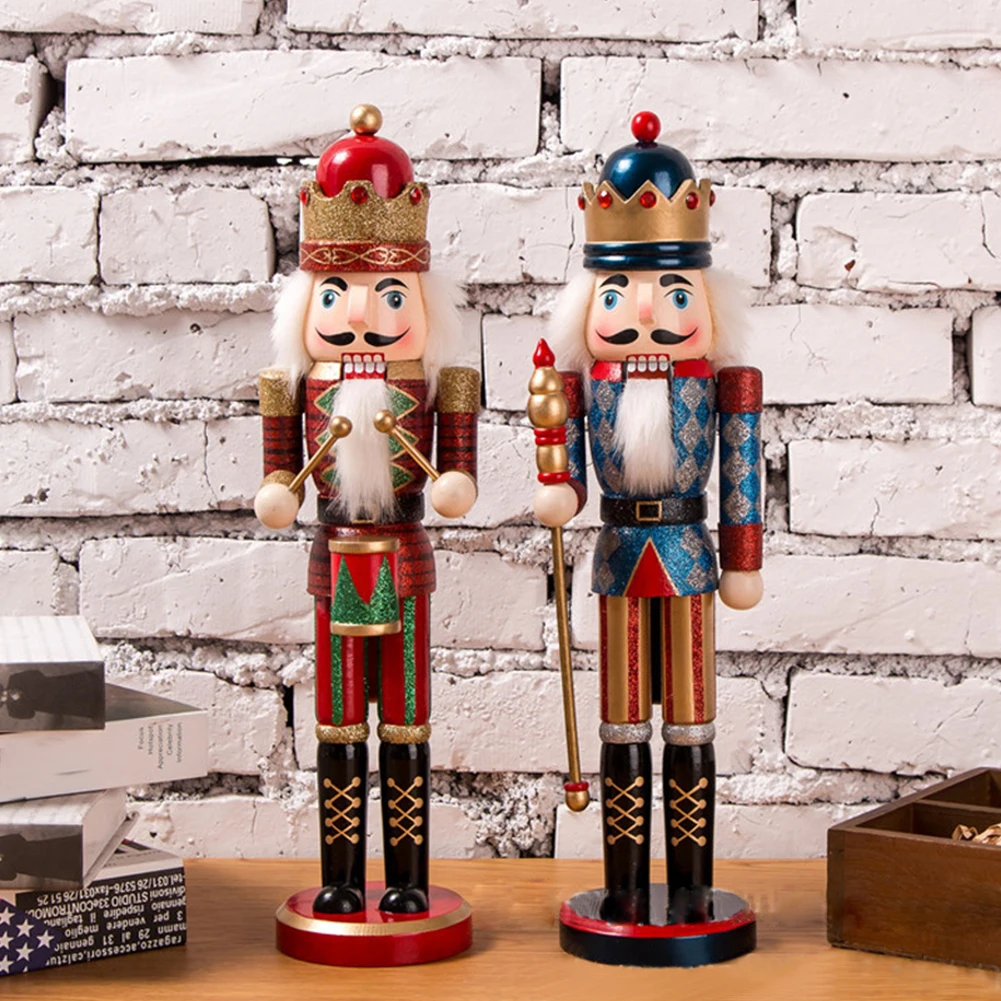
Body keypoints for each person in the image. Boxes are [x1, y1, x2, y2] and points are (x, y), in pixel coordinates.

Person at [537, 110, 763, 961]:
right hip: (618, 557)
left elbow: (740, 471)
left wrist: (742, 558)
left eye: (672, 292)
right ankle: (626, 885)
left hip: (689, 553)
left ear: (704, 301)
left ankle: (693, 883)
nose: (645, 312)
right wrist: (556, 487)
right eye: (617, 294)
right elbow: (560, 464)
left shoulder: (720, 382)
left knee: (692, 726)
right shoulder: (581, 382)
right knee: (623, 726)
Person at [254, 105, 479, 918]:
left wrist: (453, 485)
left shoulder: (443, 384)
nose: (358, 316)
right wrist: (278, 490)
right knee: (339, 722)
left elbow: (459, 477)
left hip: (404, 554)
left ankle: (409, 876)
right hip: (336, 557)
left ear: (421, 301)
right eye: (337, 294)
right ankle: (343, 877)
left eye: (387, 295)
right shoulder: (290, 386)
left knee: (409, 721)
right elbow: (278, 478)